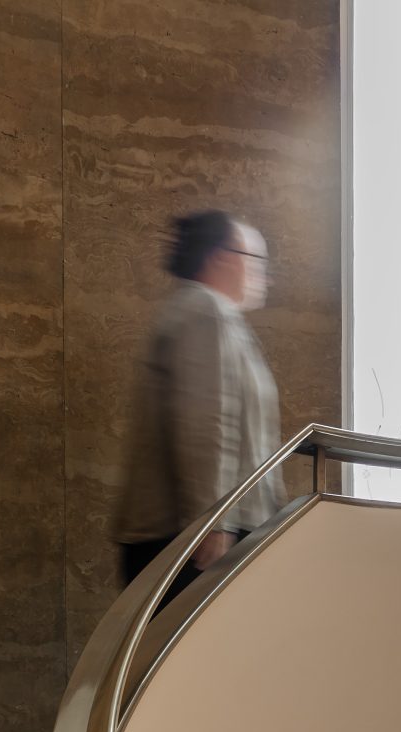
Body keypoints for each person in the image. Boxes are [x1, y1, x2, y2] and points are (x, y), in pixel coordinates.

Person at [115, 210, 284, 600]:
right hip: (191, 541)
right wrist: (213, 520)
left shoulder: (204, 312)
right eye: (256, 259)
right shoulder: (205, 310)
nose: (266, 275)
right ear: (220, 258)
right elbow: (207, 421)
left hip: (191, 533)